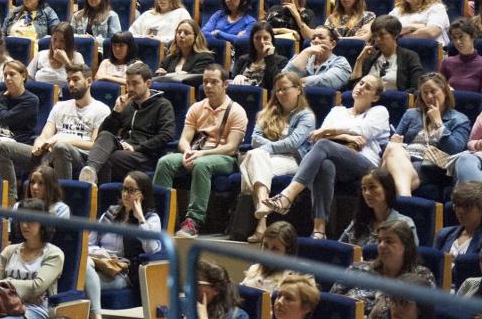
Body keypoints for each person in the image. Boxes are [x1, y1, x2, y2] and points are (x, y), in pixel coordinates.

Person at [261, 75, 391, 239]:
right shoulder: (338, 110)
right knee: (325, 164)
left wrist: (331, 132)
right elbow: (318, 137)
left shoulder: (379, 111)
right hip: (337, 161)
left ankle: (288, 196)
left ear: (375, 96)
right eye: (360, 83)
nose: (361, 87)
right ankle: (319, 231)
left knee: (324, 146)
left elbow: (364, 131)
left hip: (364, 164)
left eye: (368, 87)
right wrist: (347, 137)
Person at [153, 65, 249, 237]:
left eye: (214, 82)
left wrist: (201, 154)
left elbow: (231, 147)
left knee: (201, 164)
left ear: (225, 84)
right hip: (196, 152)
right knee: (165, 162)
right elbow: (184, 139)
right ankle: (160, 216)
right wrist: (188, 151)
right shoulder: (197, 108)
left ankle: (194, 221)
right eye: (205, 82)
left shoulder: (236, 111)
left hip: (225, 157)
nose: (208, 86)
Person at [0, 198, 64, 319]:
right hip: (4, 306)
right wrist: (18, 288)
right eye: (22, 219)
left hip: (36, 310)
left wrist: (8, 283)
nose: (25, 225)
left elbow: (37, 288)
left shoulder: (54, 254)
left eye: (31, 220)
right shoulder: (9, 251)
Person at [84, 170, 163, 319]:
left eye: (132, 190)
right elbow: (89, 243)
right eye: (124, 189)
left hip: (122, 272)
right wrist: (102, 254)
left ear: (143, 194)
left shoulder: (150, 219)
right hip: (99, 264)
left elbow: (152, 250)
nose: (126, 194)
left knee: (81, 280)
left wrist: (140, 217)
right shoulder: (111, 213)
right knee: (83, 267)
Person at [243, 72, 314, 242]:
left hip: (293, 160)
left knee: (254, 158)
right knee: (255, 158)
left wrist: (266, 147)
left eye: (285, 89)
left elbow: (293, 144)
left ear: (298, 90)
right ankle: (262, 212)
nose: (281, 93)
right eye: (278, 90)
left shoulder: (306, 116)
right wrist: (270, 148)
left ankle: (261, 220)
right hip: (268, 159)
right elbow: (254, 138)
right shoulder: (267, 113)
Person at [78, 62, 174, 185]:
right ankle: (90, 171)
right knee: (105, 137)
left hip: (145, 155)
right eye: (128, 83)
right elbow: (103, 134)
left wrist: (136, 148)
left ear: (148, 83)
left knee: (108, 158)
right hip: (124, 149)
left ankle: (98, 196)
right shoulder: (127, 105)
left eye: (135, 83)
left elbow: (166, 135)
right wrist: (116, 112)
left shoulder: (163, 105)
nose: (130, 88)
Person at [381, 73, 470, 196]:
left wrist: (438, 123)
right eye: (425, 93)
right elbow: (395, 139)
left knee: (383, 177)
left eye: (433, 91)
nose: (429, 96)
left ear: (444, 91)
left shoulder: (459, 119)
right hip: (404, 157)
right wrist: (395, 141)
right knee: (393, 148)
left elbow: (455, 150)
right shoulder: (411, 114)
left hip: (431, 165)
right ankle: (404, 198)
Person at [352, 15, 426, 91]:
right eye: (375, 36)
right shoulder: (370, 57)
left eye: (382, 35)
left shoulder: (409, 56)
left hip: (396, 101)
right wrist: (359, 60)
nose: (378, 39)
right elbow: (354, 88)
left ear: (395, 34)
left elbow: (416, 88)